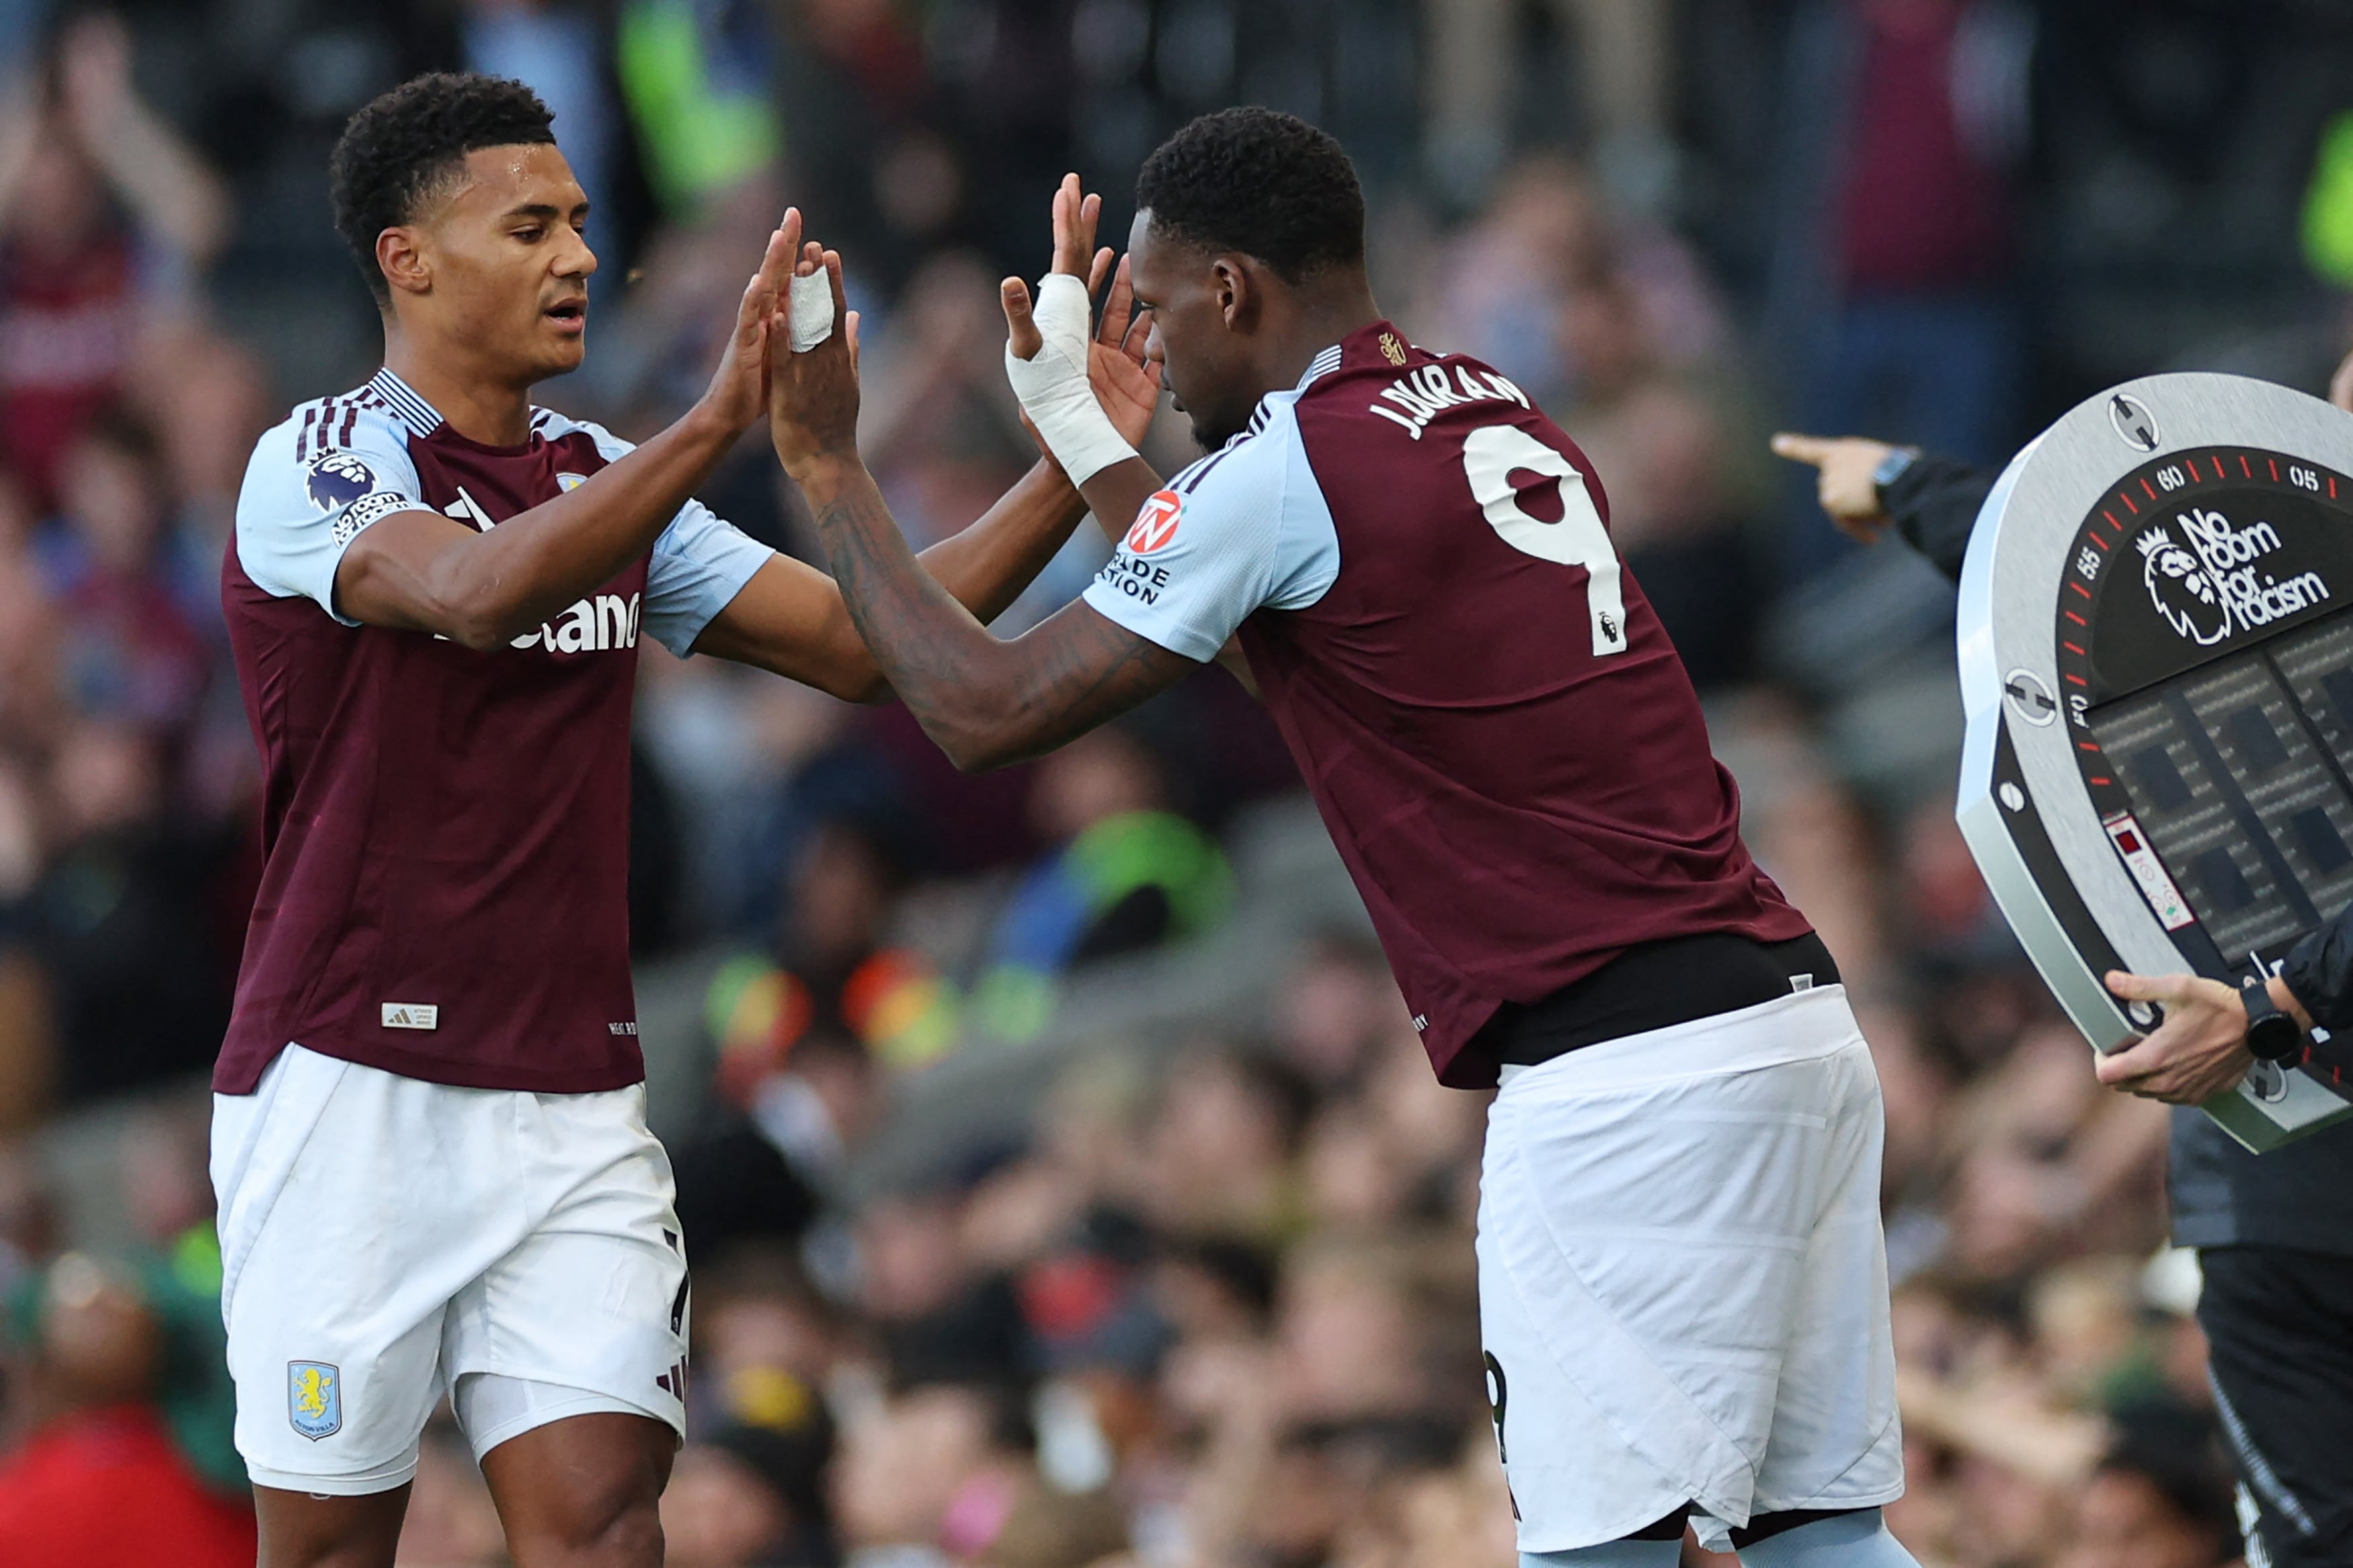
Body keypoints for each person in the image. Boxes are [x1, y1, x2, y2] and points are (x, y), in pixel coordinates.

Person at [766, 107, 1919, 1565]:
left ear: (1234, 288)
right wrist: (1075, 441)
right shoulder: (1489, 401)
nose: (1158, 347)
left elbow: (980, 708)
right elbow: (1311, 661)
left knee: (1602, 1555)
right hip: (1782, 1029)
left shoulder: (1284, 467)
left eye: (1164, 304)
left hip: (1623, 1085)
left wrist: (826, 468)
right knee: (1822, 1542)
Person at [212, 72, 1152, 1568]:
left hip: (573, 1095)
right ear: (409, 260)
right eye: (530, 227)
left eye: (582, 223)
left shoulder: (598, 474)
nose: (581, 255)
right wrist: (720, 417)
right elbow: (470, 594)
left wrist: (1059, 459)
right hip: (350, 1088)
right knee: (332, 1548)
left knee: (606, 1528)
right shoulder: (316, 460)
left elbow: (864, 643)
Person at [1776, 395, 2353, 1568]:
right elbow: (2091, 572)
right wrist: (1903, 479)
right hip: (2265, 1192)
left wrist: (2272, 1007)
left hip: (2266, 1148)